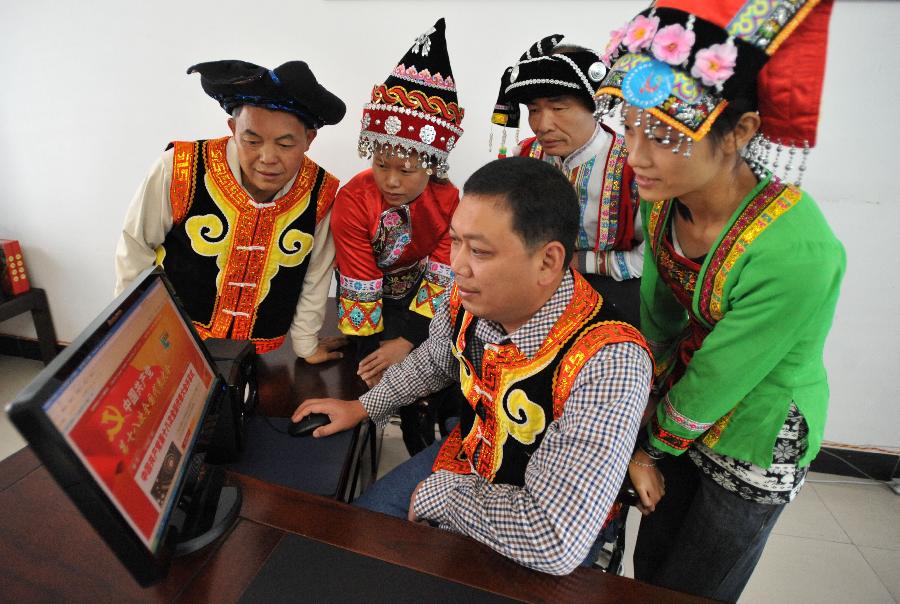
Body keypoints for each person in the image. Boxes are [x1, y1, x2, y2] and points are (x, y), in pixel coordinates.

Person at [294, 157, 654, 575]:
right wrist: (364, 407)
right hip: (463, 459)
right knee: (349, 549)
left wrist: (442, 497)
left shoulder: (609, 360)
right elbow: (436, 359)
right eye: (455, 242)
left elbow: (554, 539)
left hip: (533, 524)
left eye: (479, 250)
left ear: (548, 261)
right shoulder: (468, 297)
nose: (459, 266)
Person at [593, 1, 844, 601]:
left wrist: (645, 447)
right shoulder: (663, 201)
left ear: (741, 132)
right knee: (651, 564)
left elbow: (724, 372)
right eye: (630, 125)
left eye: (664, 134)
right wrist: (633, 426)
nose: (636, 156)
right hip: (680, 404)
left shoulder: (796, 252)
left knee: (698, 582)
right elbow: (657, 323)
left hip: (757, 431)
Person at [114, 60, 347, 361]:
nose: (267, 158)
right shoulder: (180, 167)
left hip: (257, 352)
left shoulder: (321, 192)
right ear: (233, 129)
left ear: (308, 140)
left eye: (285, 145)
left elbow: (316, 274)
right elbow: (135, 249)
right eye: (252, 140)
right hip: (174, 340)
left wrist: (306, 344)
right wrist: (138, 333)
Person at [332, 18, 463, 455]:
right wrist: (376, 352)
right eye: (381, 164)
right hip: (371, 300)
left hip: (427, 301)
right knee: (377, 369)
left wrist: (407, 340)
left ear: (431, 164)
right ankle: (407, 424)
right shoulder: (353, 199)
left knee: (439, 363)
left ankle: (444, 434)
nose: (390, 180)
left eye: (405, 170)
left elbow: (443, 276)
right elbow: (359, 280)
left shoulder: (448, 200)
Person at [491, 36, 642, 326]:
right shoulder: (524, 155)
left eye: (559, 108)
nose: (543, 125)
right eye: (534, 110)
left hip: (613, 294)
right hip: (536, 287)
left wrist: (581, 262)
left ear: (595, 106)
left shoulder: (633, 165)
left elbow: (651, 254)